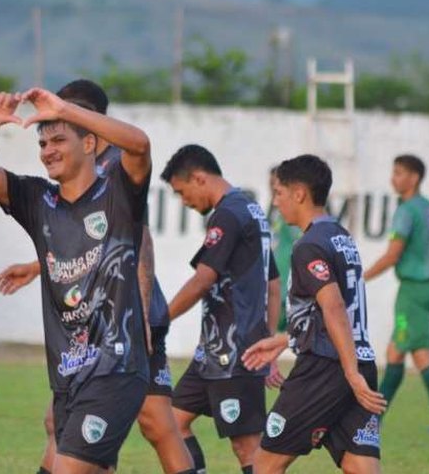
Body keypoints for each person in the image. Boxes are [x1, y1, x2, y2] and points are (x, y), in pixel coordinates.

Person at [0, 79, 193, 474]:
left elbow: (139, 242)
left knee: (156, 424)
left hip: (129, 318)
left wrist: (141, 315)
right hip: (104, 324)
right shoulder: (76, 167)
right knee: (74, 427)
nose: (52, 130)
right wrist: (39, 267)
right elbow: (87, 243)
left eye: (61, 113)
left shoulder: (118, 162)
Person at [0, 87, 154, 474]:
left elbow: (140, 145)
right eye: (43, 142)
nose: (47, 150)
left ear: (89, 143)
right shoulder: (38, 200)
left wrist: (66, 108)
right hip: (68, 375)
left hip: (116, 368)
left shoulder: (118, 190)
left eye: (58, 140)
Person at [242, 154, 386, 474]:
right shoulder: (340, 236)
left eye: (279, 193)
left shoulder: (309, 245)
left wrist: (348, 374)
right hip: (358, 359)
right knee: (360, 466)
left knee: (264, 464)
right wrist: (286, 339)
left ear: (299, 194)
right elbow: (326, 311)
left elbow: (334, 306)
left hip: (327, 368)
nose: (276, 202)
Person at [160, 144, 283, 474]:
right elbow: (273, 284)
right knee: (172, 422)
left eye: (181, 192)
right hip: (214, 352)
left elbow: (203, 280)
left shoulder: (228, 214)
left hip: (236, 351)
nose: (184, 201)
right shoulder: (252, 210)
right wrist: (267, 339)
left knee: (247, 445)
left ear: (199, 178)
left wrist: (160, 319)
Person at [363, 154, 429, 434]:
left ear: (413, 178)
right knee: (406, 353)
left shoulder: (406, 210)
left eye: (398, 173)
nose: (393, 178)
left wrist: (359, 278)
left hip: (412, 293)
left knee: (405, 353)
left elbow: (393, 255)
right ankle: (378, 421)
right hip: (428, 291)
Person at [268, 166, 303, 332]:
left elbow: (301, 243)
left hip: (285, 286)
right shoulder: (275, 213)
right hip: (275, 283)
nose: (272, 188)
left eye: (276, 185)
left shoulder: (291, 216)